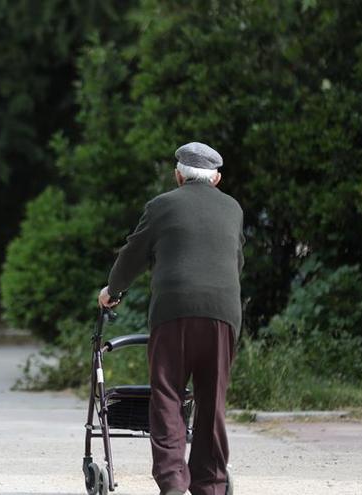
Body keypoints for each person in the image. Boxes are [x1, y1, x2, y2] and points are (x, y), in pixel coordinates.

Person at [98, 142, 244, 495]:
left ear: (178, 175)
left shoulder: (161, 205)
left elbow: (132, 254)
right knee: (211, 400)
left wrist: (113, 292)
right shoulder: (233, 208)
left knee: (167, 396)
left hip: (173, 312)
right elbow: (237, 260)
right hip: (223, 314)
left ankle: (173, 484)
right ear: (217, 179)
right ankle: (209, 484)